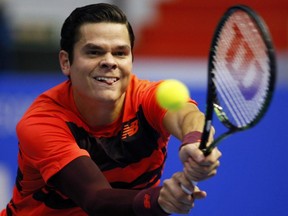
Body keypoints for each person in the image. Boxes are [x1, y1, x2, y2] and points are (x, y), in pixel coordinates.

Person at [0, 3, 221, 216]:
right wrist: (159, 199)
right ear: (66, 62)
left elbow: (188, 116)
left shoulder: (148, 97)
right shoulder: (42, 122)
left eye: (120, 53)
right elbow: (96, 199)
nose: (109, 62)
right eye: (94, 52)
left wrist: (194, 142)